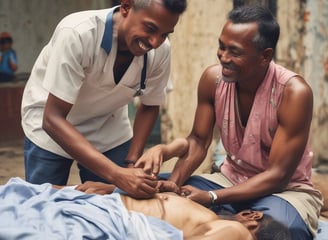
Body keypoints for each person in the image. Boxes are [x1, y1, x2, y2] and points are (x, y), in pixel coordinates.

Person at [134, 4, 323, 240]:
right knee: (145, 192)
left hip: (285, 191)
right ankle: (223, 215)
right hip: (229, 178)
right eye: (221, 47)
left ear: (265, 56)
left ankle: (222, 215)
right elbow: (198, 141)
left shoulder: (294, 93)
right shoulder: (212, 80)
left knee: (274, 231)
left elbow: (278, 175)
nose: (223, 57)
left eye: (234, 52)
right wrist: (174, 182)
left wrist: (213, 198)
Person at [21, 0, 187, 199]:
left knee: (116, 204)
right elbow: (52, 118)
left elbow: (150, 105)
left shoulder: (160, 51)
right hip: (52, 127)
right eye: (150, 28)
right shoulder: (77, 33)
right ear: (126, 7)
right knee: (43, 203)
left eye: (165, 34)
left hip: (109, 128)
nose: (155, 42)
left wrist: (131, 162)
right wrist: (116, 174)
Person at [0, 177, 291, 240]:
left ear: (253, 217)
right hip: (102, 208)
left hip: (111, 218)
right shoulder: (208, 218)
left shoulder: (238, 231)